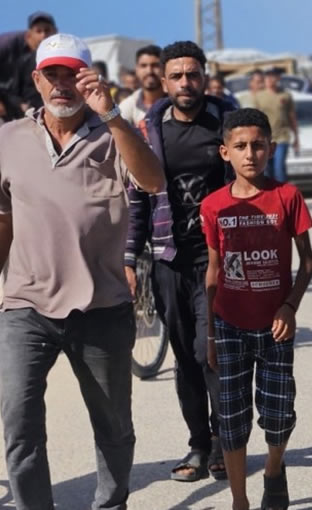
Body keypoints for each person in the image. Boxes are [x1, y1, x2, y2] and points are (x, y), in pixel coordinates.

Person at [0, 32, 164, 509]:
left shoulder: (115, 134)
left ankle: (110, 504)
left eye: (72, 74)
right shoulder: (8, 138)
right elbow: (5, 218)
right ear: (36, 79)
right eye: (52, 75)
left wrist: (111, 115)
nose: (62, 85)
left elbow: (152, 180)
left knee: (113, 425)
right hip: (25, 307)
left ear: (90, 78)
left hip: (101, 306)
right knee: (20, 424)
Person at [124, 40, 237, 483]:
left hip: (216, 261)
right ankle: (198, 445)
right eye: (177, 76)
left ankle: (225, 442)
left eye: (193, 74)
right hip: (170, 259)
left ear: (205, 77)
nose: (185, 83)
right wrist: (129, 258)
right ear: (163, 81)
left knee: (211, 355)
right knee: (186, 361)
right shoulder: (149, 131)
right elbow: (139, 201)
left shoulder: (226, 123)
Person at [202, 108, 312, 510]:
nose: (250, 154)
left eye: (258, 145)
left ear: (271, 148)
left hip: (275, 328)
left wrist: (289, 306)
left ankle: (272, 468)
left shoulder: (287, 196)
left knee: (279, 412)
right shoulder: (214, 206)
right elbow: (214, 271)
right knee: (231, 418)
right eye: (240, 146)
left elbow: (308, 263)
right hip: (229, 325)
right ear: (224, 152)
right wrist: (211, 334)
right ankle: (239, 500)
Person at [0, 11, 57, 112]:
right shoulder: (6, 44)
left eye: (47, 30)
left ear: (55, 32)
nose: (44, 35)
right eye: (38, 31)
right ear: (29, 36)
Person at [254, 68, 299, 183]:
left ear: (278, 78)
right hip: (264, 139)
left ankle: (283, 196)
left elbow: (292, 117)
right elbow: (255, 118)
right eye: (267, 77)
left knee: (279, 169)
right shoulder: (259, 96)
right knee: (267, 170)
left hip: (282, 138)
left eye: (272, 76)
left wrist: (296, 138)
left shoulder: (285, 96)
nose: (269, 80)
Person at [119, 44, 165, 129]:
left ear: (164, 68)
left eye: (155, 65)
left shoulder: (174, 101)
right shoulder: (129, 105)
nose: (149, 71)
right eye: (144, 66)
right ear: (136, 69)